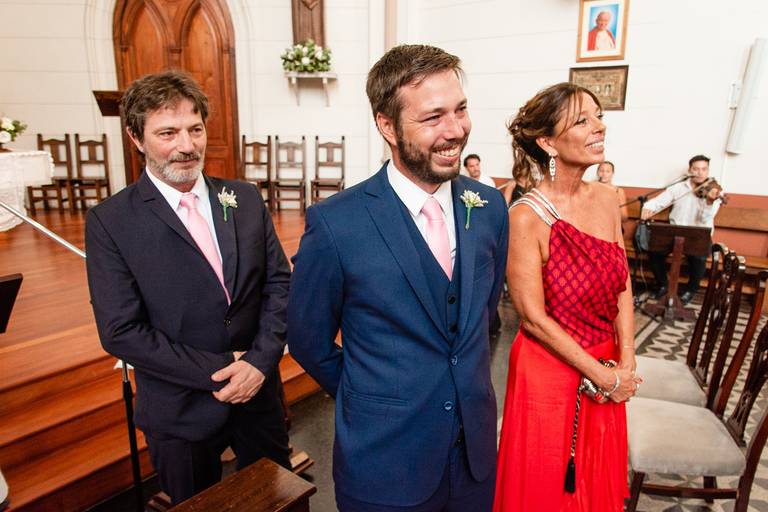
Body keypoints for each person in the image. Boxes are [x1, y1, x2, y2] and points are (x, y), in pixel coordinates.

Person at [288, 44, 508, 511]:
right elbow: (308, 339)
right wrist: (371, 390)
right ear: (387, 125)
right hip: (385, 464)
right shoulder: (336, 224)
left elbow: (485, 319)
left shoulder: (489, 208)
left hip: (474, 460)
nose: (455, 131)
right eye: (433, 118)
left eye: (461, 109)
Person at [85, 71, 291, 505]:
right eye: (168, 132)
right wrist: (221, 369)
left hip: (259, 396)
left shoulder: (244, 198)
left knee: (275, 500)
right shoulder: (111, 221)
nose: (186, 145)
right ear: (135, 138)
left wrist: (258, 362)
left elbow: (278, 284)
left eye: (195, 129)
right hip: (180, 409)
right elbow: (121, 331)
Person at [494, 83, 641, 511]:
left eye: (598, 116)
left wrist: (626, 360)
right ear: (547, 142)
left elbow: (624, 281)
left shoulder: (608, 198)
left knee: (595, 483)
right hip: (551, 372)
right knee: (549, 488)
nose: (599, 127)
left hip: (607, 362)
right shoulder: (525, 217)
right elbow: (534, 318)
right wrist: (600, 373)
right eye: (582, 120)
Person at [640, 154, 722, 305]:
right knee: (655, 251)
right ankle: (664, 285)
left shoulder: (714, 191)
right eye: (696, 169)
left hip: (699, 233)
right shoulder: (679, 188)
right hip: (676, 231)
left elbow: (705, 218)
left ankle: (691, 290)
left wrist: (709, 202)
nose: (699, 172)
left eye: (703, 169)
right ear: (690, 170)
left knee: (698, 259)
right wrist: (647, 208)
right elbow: (660, 201)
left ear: (708, 171)